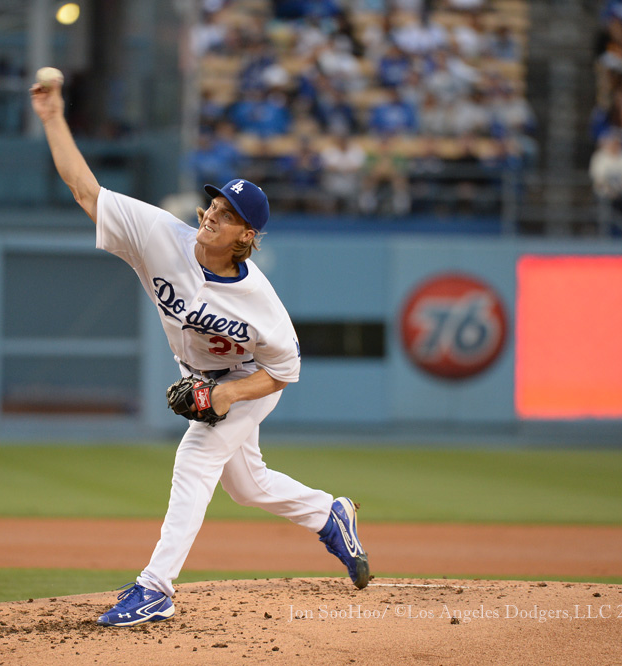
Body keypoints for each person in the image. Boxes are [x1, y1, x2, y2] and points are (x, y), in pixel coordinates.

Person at [29, 74, 370, 628]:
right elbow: (85, 192)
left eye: (228, 214)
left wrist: (227, 394)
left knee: (197, 459)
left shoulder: (261, 302)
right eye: (215, 202)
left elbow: (286, 370)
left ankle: (155, 588)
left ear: (246, 237)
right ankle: (329, 513)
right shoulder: (161, 235)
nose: (213, 212)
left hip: (249, 379)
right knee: (247, 485)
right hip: (201, 374)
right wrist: (52, 119)